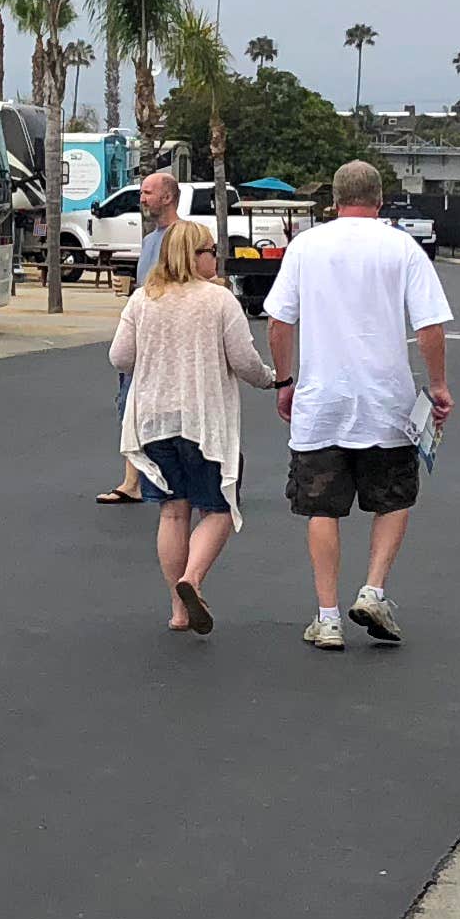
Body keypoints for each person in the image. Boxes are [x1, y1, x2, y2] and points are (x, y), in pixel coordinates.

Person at [263, 158, 453, 651]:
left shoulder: (306, 246)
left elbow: (279, 322)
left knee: (321, 507)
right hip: (386, 401)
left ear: (334, 198)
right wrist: (438, 386)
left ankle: (327, 617)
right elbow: (429, 326)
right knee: (393, 498)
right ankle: (373, 589)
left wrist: (285, 380)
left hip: (321, 400)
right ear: (380, 198)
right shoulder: (402, 247)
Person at [108, 222, 272, 635]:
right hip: (203, 422)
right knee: (219, 508)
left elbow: (120, 357)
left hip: (153, 421)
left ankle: (178, 611)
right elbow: (244, 361)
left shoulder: (142, 299)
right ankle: (192, 579)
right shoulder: (219, 300)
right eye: (211, 250)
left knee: (172, 512)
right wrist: (272, 379)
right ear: (194, 254)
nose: (216, 257)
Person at [97, 168, 186, 504]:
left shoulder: (186, 237)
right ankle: (132, 480)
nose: (142, 198)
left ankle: (184, 476)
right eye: (142, 192)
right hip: (142, 338)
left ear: (167, 196)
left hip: (171, 342)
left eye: (148, 192)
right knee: (129, 405)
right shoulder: (149, 241)